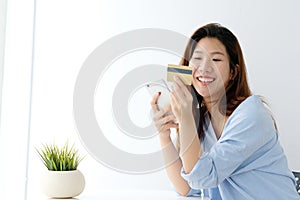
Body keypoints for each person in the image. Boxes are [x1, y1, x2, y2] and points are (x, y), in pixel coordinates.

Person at [151, 23, 299, 199]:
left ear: (233, 72)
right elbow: (188, 189)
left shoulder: (252, 114)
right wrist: (164, 135)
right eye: (197, 58)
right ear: (187, 68)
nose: (204, 67)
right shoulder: (201, 121)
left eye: (216, 59)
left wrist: (185, 119)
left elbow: (202, 178)